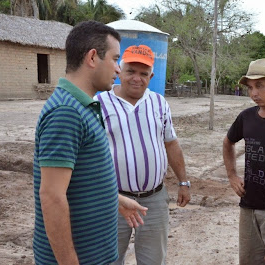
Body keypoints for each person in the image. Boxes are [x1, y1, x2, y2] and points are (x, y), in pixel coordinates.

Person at [33, 21, 148, 265]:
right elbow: (52, 196)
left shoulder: (81, 107)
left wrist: (113, 198)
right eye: (115, 59)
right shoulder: (67, 112)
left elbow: (77, 181)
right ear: (93, 58)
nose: (118, 69)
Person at [95, 44, 191, 265]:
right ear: (120, 70)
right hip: (113, 200)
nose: (136, 78)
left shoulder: (159, 103)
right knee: (108, 260)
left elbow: (171, 143)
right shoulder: (100, 104)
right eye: (131, 71)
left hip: (154, 201)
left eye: (143, 73)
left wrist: (183, 181)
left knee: (153, 260)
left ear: (151, 76)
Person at [223, 58, 265, 265]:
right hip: (248, 205)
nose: (254, 93)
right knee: (249, 259)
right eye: (250, 87)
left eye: (260, 85)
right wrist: (232, 176)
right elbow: (228, 142)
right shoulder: (246, 117)